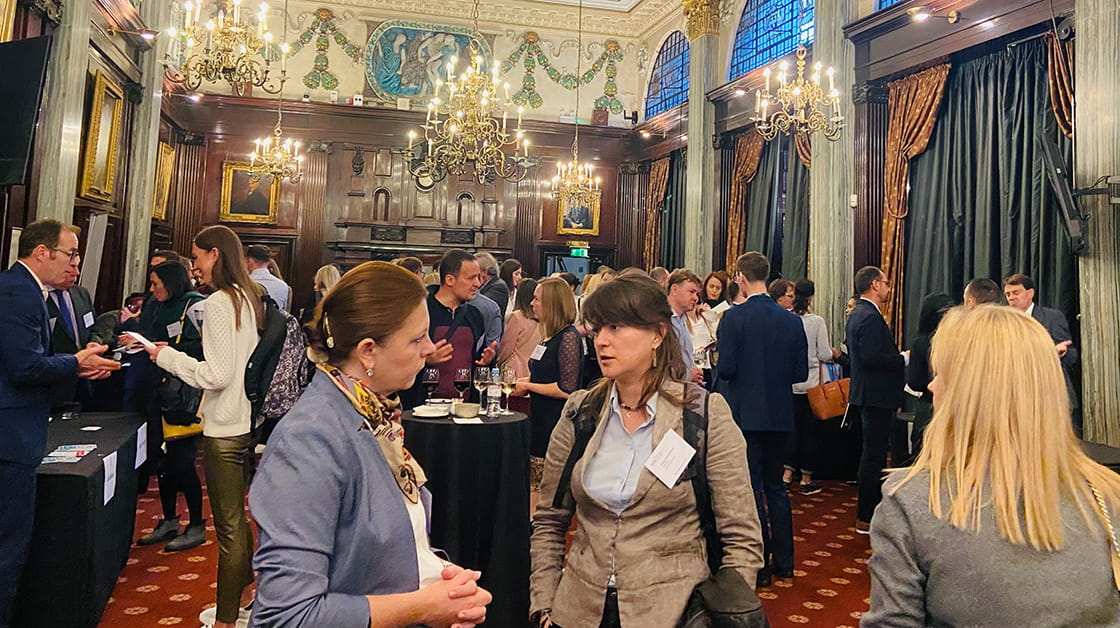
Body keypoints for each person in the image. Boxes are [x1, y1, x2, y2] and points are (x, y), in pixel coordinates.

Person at [248, 262, 493, 628]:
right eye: (416, 339)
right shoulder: (309, 440)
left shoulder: (373, 416)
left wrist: (439, 575)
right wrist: (422, 606)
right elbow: (288, 616)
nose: (428, 349)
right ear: (367, 351)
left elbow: (379, 549)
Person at [862, 305, 1120, 627]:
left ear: (972, 392)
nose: (932, 385)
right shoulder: (1107, 495)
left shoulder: (913, 502)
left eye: (943, 373)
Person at [530, 275, 763, 627]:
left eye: (616, 327)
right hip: (580, 609)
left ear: (657, 334)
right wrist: (545, 605)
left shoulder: (701, 414)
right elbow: (549, 520)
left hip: (672, 611)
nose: (602, 341)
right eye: (597, 329)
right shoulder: (581, 412)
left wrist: (723, 613)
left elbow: (742, 534)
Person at [0, 220, 119, 627]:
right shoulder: (19, 292)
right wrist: (75, 362)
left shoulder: (30, 291)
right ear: (41, 253)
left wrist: (78, 369)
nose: (76, 262)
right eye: (71, 254)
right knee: (9, 547)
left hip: (17, 430)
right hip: (10, 436)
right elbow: (23, 367)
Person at [145, 225, 264, 628]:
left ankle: (227, 619)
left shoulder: (218, 303)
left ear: (215, 254)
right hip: (245, 422)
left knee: (229, 529)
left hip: (225, 426)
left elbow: (214, 375)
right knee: (240, 521)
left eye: (196, 257)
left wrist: (165, 356)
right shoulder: (248, 298)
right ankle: (245, 600)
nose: (193, 266)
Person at [716, 252, 807, 587]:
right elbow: (799, 373)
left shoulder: (733, 319)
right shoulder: (791, 320)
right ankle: (785, 562)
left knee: (751, 489)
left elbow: (726, 369)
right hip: (781, 414)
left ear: (740, 277)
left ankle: (760, 566)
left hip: (746, 415)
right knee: (778, 489)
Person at [136, 261, 208, 552]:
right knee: (162, 462)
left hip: (182, 393)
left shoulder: (194, 305)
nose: (152, 290)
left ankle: (197, 525)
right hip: (156, 389)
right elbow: (144, 330)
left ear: (172, 282)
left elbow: (204, 347)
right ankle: (168, 520)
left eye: (156, 284)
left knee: (182, 462)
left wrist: (167, 348)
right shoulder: (154, 304)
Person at [845, 265, 907, 535]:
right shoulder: (869, 316)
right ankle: (867, 516)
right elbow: (871, 358)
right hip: (876, 395)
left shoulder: (859, 312)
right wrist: (903, 358)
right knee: (874, 456)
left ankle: (868, 514)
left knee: (873, 454)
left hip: (869, 394)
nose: (889, 287)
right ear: (874, 285)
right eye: (885, 282)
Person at [512, 278, 582, 513]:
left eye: (537, 299)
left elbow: (567, 388)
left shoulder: (569, 337)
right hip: (539, 418)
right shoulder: (548, 336)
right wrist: (526, 382)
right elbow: (545, 375)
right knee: (534, 482)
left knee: (544, 486)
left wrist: (530, 387)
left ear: (552, 304)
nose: (532, 304)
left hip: (555, 421)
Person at [401, 249, 497, 409]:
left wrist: (485, 362)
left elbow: (475, 362)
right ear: (450, 279)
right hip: (422, 409)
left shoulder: (475, 316)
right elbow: (398, 356)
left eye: (479, 277)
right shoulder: (420, 312)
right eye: (471, 278)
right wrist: (425, 360)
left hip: (464, 410)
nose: (478, 284)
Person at [1004, 273, 1080, 434]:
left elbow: (1072, 355)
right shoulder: (1004, 323)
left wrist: (1058, 354)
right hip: (1016, 398)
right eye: (1008, 294)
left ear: (1030, 293)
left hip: (1051, 395)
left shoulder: (1052, 317)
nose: (1011, 298)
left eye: (1016, 293)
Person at [783, 279, 838, 496]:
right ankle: (806, 479)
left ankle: (786, 475)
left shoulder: (786, 318)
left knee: (790, 429)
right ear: (812, 297)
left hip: (789, 382)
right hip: (812, 383)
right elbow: (824, 353)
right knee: (809, 432)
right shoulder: (816, 322)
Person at [905, 293, 955, 463]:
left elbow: (914, 381)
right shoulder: (960, 339)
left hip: (928, 407)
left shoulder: (921, 342)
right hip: (956, 408)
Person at [45, 264, 96, 410]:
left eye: (77, 267)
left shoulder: (81, 294)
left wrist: (94, 344)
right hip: (52, 384)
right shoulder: (37, 298)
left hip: (85, 383)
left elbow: (92, 327)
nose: (76, 273)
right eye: (69, 269)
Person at [666, 269, 705, 385]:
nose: (696, 298)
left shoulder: (683, 320)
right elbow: (658, 365)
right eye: (691, 292)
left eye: (696, 293)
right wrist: (687, 375)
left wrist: (694, 374)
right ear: (674, 290)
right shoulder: (662, 321)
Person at [497, 279, 541, 380]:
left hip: (515, 371)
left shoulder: (516, 317)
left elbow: (506, 347)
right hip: (534, 371)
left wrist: (498, 362)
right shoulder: (542, 319)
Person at [245, 244, 290, 312]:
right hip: (275, 322)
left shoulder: (243, 285)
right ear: (268, 262)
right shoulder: (283, 286)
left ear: (249, 262)